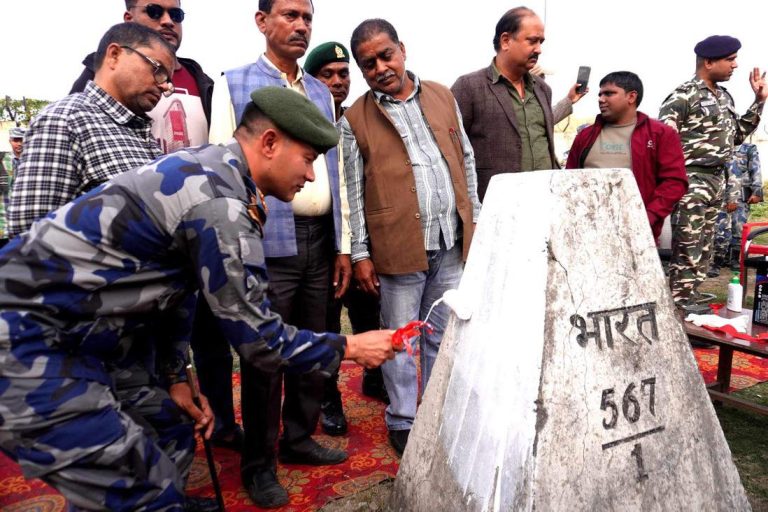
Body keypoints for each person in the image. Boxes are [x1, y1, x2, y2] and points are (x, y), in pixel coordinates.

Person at [0, 86, 394, 512]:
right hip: (24, 342)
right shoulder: (219, 203)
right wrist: (352, 347)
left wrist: (173, 376)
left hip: (76, 336)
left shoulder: (212, 171)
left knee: (168, 424)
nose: (312, 176)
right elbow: (260, 342)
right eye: (308, 159)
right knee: (135, 486)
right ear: (269, 143)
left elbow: (179, 291)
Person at [70, 0, 242, 453]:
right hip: (103, 315)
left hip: (175, 284)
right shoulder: (72, 113)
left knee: (198, 363)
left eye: (177, 13)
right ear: (119, 40)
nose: (169, 20)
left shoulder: (198, 85)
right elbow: (36, 233)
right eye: (155, 10)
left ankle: (220, 427)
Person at [208, 0, 352, 507]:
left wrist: (343, 246)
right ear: (262, 21)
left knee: (315, 345)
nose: (300, 26)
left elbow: (334, 175)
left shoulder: (320, 90)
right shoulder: (232, 83)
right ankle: (259, 463)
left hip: (320, 238)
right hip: (264, 242)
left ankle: (298, 437)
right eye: (290, 15)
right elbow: (220, 167)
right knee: (266, 354)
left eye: (307, 17)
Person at [341, 18, 481, 456]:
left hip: (451, 240)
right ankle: (403, 419)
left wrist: (474, 222)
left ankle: (438, 409)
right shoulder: (355, 118)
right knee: (401, 339)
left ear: (402, 49)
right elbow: (352, 190)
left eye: (386, 55)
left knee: (443, 333)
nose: (381, 67)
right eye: (369, 63)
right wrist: (361, 252)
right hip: (398, 243)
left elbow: (468, 162)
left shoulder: (441, 95)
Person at [7, 23, 175, 237]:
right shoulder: (64, 121)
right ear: (114, 55)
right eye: (157, 69)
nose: (164, 86)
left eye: (168, 80)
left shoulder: (139, 130)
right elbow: (30, 238)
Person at [304, 40, 390, 436]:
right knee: (326, 321)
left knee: (370, 312)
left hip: (363, 239)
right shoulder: (307, 119)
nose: (338, 82)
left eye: (343, 74)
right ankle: (328, 397)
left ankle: (375, 378)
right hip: (324, 242)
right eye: (328, 75)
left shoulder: (359, 119)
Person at [659, 35, 767, 308]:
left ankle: (689, 303)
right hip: (691, 181)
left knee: (705, 252)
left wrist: (759, 101)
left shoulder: (724, 97)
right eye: (729, 60)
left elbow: (737, 136)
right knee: (687, 249)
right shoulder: (684, 95)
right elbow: (662, 141)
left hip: (716, 181)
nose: (735, 65)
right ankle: (678, 309)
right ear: (709, 62)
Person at [451, 6, 559, 201]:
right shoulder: (469, 87)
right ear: (506, 40)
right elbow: (451, 152)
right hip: (493, 208)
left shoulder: (543, 89)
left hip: (544, 202)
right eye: (532, 41)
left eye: (541, 42)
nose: (539, 49)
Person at [566, 71, 688, 242]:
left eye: (609, 93)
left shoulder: (659, 134)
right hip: (587, 231)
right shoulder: (585, 136)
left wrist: (648, 217)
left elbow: (674, 182)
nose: (601, 99)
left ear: (631, 97)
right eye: (600, 94)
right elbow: (569, 179)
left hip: (637, 234)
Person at [710, 142, 762, 274]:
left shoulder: (748, 148)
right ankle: (717, 262)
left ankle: (734, 260)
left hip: (741, 194)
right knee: (720, 229)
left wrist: (757, 191)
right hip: (719, 194)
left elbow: (755, 169)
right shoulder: (719, 144)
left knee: (738, 228)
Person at [0, 127, 25, 245]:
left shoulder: (34, 162)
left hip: (25, 222)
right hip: (4, 222)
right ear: (10, 141)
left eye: (22, 140)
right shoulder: (2, 160)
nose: (19, 144)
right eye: (16, 140)